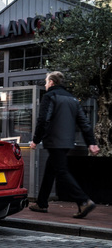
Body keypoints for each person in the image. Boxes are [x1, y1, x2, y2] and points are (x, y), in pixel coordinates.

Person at [29, 71, 100, 218]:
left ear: (52, 83)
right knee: (51, 170)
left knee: (61, 171)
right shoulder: (72, 99)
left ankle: (84, 201)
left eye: (46, 81)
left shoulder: (50, 96)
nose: (45, 84)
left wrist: (35, 140)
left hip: (55, 141)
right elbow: (84, 122)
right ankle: (42, 203)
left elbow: (43, 120)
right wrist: (91, 143)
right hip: (67, 142)